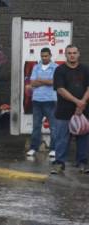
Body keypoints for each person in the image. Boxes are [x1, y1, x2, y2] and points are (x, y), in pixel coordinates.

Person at [51, 45, 89, 174]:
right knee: (62, 138)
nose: (72, 55)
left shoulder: (85, 69)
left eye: (74, 53)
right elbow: (61, 90)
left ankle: (83, 163)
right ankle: (59, 164)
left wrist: (82, 103)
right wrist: (78, 102)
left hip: (83, 111)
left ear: (78, 54)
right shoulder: (60, 70)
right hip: (64, 111)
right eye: (69, 53)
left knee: (83, 138)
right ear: (66, 55)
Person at [26, 48, 58, 157]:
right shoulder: (36, 67)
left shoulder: (56, 67)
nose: (44, 58)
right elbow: (32, 83)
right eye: (42, 56)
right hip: (37, 100)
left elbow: (54, 82)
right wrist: (46, 81)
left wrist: (41, 80)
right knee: (36, 126)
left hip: (50, 100)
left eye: (46, 56)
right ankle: (34, 148)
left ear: (50, 55)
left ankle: (53, 149)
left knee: (53, 126)